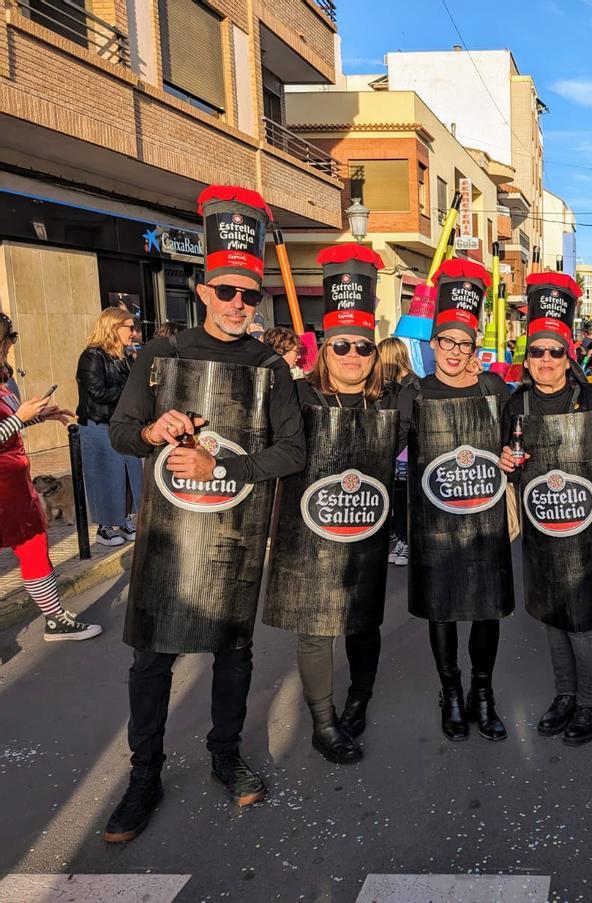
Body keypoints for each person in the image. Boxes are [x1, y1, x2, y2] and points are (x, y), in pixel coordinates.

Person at [104, 186, 305, 842]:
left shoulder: (272, 367)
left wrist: (221, 468)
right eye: (227, 292)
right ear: (203, 292)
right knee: (152, 660)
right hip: (167, 536)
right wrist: (154, 430)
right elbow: (120, 432)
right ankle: (144, 771)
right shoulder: (161, 357)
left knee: (234, 654)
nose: (239, 304)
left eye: (250, 294)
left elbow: (290, 451)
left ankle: (224, 752)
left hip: (235, 537)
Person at [263, 244, 398, 765]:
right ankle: (323, 722)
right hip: (307, 535)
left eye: (363, 349)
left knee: (363, 622)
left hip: (365, 531)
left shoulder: (388, 402)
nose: (352, 358)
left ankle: (358, 698)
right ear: (324, 348)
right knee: (315, 628)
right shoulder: (297, 397)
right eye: (341, 347)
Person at [498, 272, 592, 746]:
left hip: (590, 530)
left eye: (555, 351)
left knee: (584, 619)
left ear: (568, 355)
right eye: (537, 351)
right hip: (541, 531)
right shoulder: (516, 405)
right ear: (527, 358)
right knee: (553, 614)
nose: (546, 360)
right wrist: (506, 463)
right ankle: (565, 694)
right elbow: (509, 468)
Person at [405, 258, 514, 742]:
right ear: (433, 344)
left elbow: (520, 432)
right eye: (445, 342)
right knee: (442, 610)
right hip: (434, 522)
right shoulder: (415, 392)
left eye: (462, 343)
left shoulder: (495, 388)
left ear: (475, 346)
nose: (453, 351)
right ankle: (450, 693)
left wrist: (514, 454)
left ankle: (482, 694)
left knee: (486, 609)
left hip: (485, 517)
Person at [0, 313, 100, 642]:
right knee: (31, 546)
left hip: (13, 483)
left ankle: (55, 618)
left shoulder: (3, 378)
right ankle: (55, 619)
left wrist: (37, 417)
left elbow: (8, 429)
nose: (14, 342)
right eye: (9, 335)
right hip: (4, 486)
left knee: (33, 546)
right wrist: (21, 418)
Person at [75, 308, 142, 547]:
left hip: (122, 423)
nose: (134, 333)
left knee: (129, 471)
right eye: (130, 328)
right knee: (105, 474)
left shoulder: (123, 356)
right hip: (98, 424)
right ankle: (105, 526)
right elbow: (97, 393)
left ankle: (124, 519)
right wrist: (129, 392)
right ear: (113, 327)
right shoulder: (92, 356)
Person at [378, 336, 417, 566]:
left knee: (404, 499)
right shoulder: (400, 386)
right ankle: (401, 538)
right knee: (399, 499)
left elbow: (403, 423)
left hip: (404, 451)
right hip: (401, 451)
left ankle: (406, 540)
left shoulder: (410, 386)